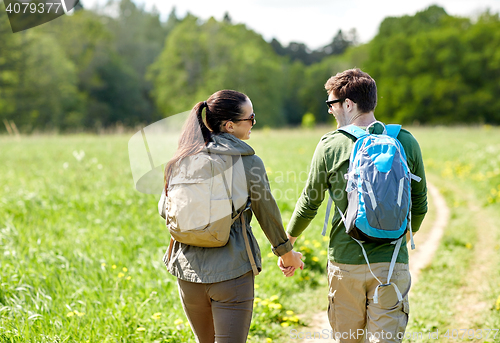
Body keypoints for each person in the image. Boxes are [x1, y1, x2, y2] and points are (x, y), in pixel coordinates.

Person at [280, 69, 427, 342]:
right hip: (392, 261)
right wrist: (405, 237)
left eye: (331, 104)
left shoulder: (330, 145)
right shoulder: (405, 140)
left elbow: (309, 202)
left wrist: (287, 245)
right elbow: (420, 203)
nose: (330, 111)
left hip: (345, 261)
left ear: (348, 104)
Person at [162, 89, 304, 343]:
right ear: (229, 125)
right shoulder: (248, 162)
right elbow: (267, 212)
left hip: (187, 272)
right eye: (250, 118)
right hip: (232, 273)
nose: (253, 124)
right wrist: (287, 254)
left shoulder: (183, 157)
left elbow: (166, 209)